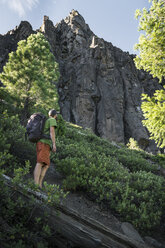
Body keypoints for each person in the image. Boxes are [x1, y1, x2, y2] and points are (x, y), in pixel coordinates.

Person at [33, 109, 57, 188]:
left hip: (43, 143)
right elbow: (52, 131)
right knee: (40, 163)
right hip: (44, 143)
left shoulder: (46, 120)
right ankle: (36, 184)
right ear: (55, 115)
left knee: (46, 164)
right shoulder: (52, 119)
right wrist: (54, 144)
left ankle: (39, 184)